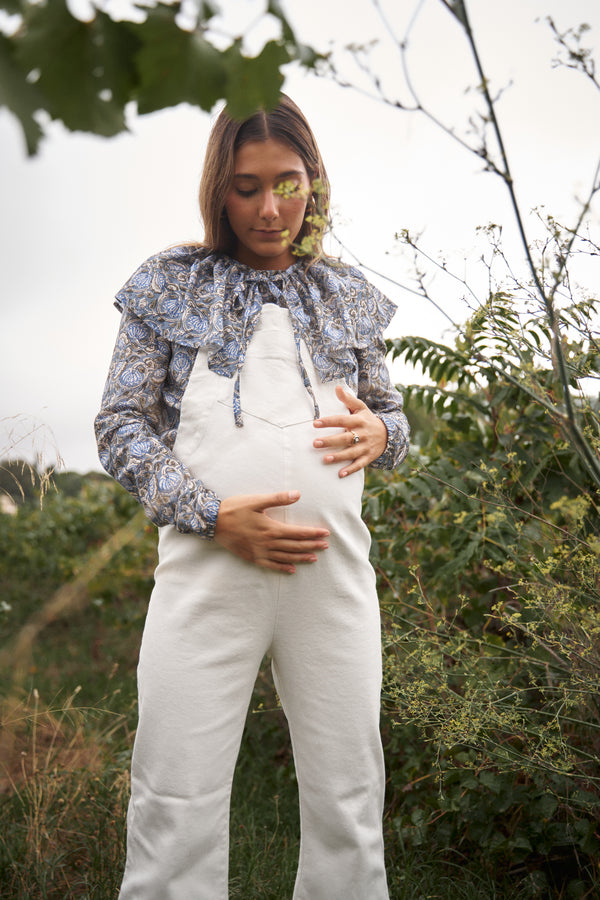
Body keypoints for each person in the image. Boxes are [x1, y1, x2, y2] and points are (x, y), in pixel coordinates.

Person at [95, 93, 410, 900]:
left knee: (348, 800)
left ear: (315, 184)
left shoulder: (347, 295)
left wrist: (384, 435)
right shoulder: (171, 286)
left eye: (288, 182)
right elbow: (121, 425)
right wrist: (210, 515)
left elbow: (394, 418)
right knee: (175, 793)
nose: (269, 208)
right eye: (245, 186)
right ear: (217, 189)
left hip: (333, 586)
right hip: (207, 577)